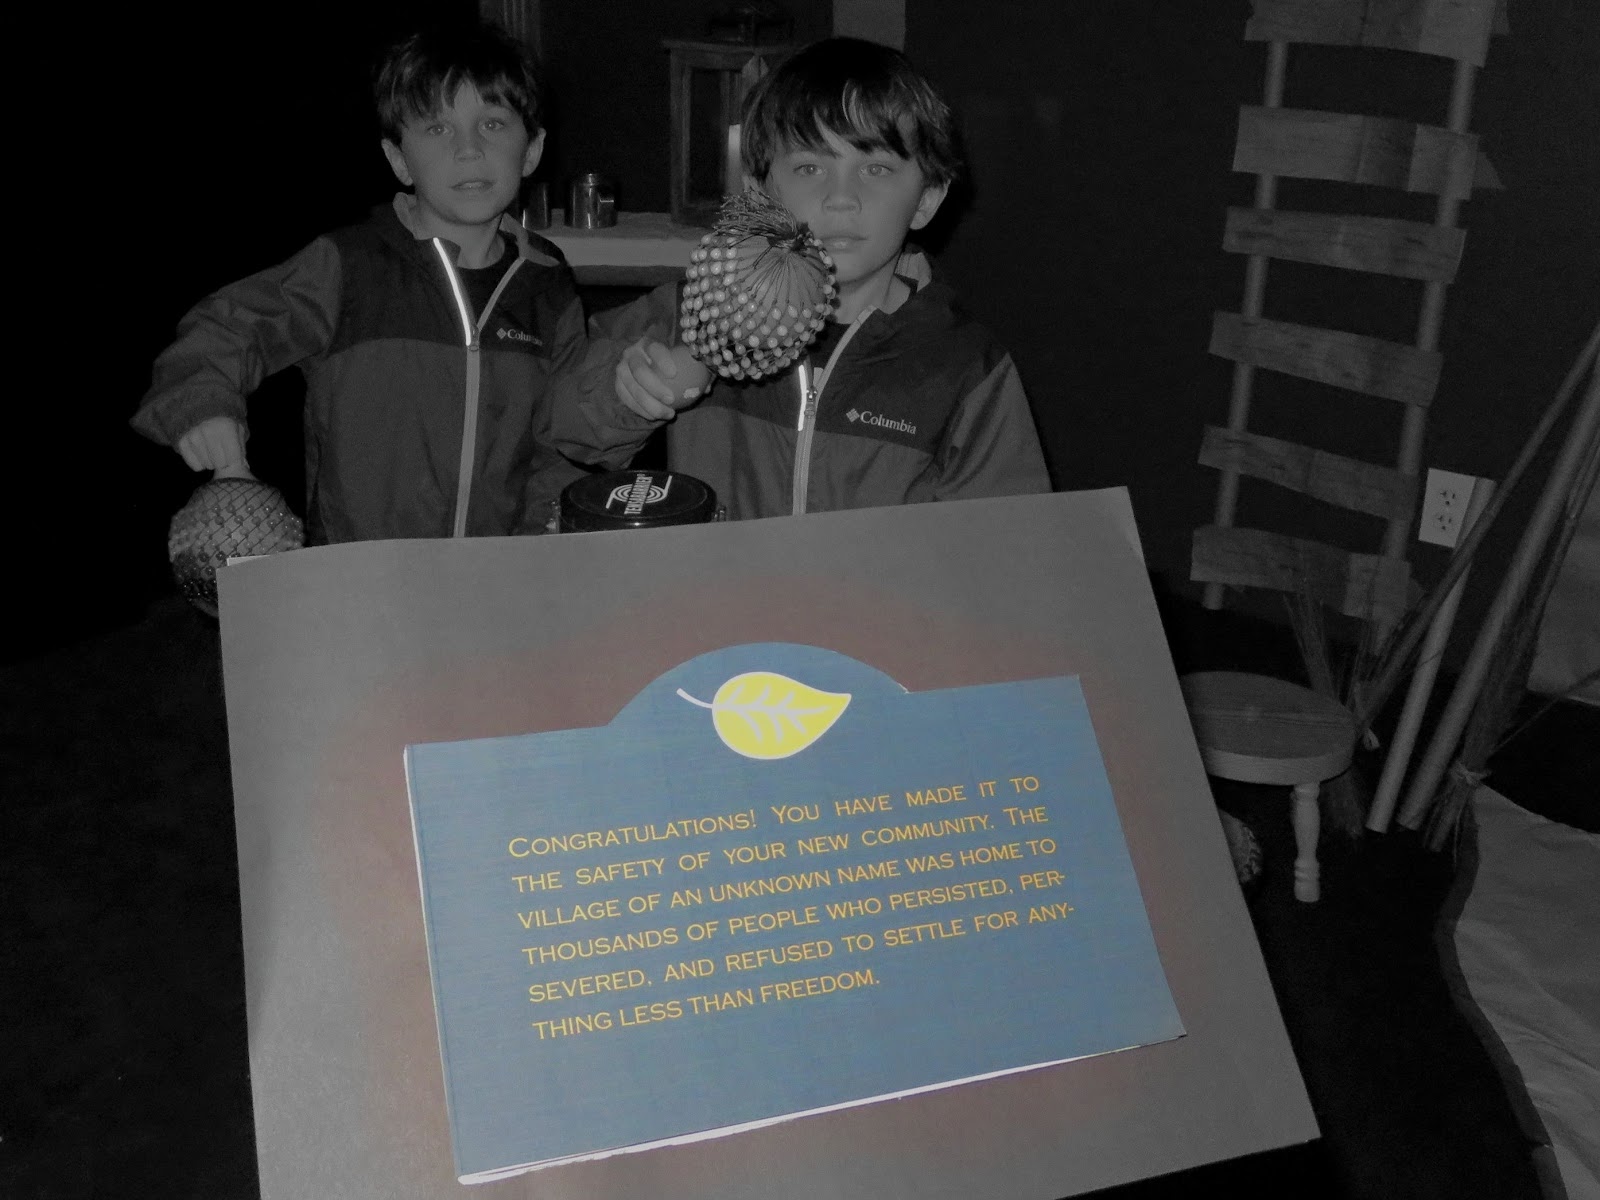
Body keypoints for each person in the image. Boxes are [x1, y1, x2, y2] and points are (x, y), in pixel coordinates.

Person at [131, 20, 637, 543]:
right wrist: (204, 404)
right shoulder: (348, 267)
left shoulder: (547, 286)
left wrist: (544, 546)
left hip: (495, 576)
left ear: (531, 150)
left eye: (492, 123)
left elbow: (555, 452)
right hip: (360, 571)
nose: (468, 149)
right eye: (437, 129)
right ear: (399, 160)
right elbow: (228, 327)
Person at [591, 36, 1051, 521]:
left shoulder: (966, 369)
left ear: (926, 200)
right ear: (759, 192)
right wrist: (628, 396)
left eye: (876, 168)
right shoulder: (691, 311)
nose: (841, 197)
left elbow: (1009, 538)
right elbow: (564, 427)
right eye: (810, 167)